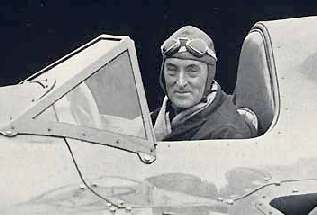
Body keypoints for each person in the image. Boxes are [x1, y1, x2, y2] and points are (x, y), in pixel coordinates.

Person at [151, 26, 257, 141]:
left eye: (192, 71)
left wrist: (157, 144)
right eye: (172, 70)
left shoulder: (227, 134)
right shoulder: (162, 116)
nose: (181, 82)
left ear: (209, 76)